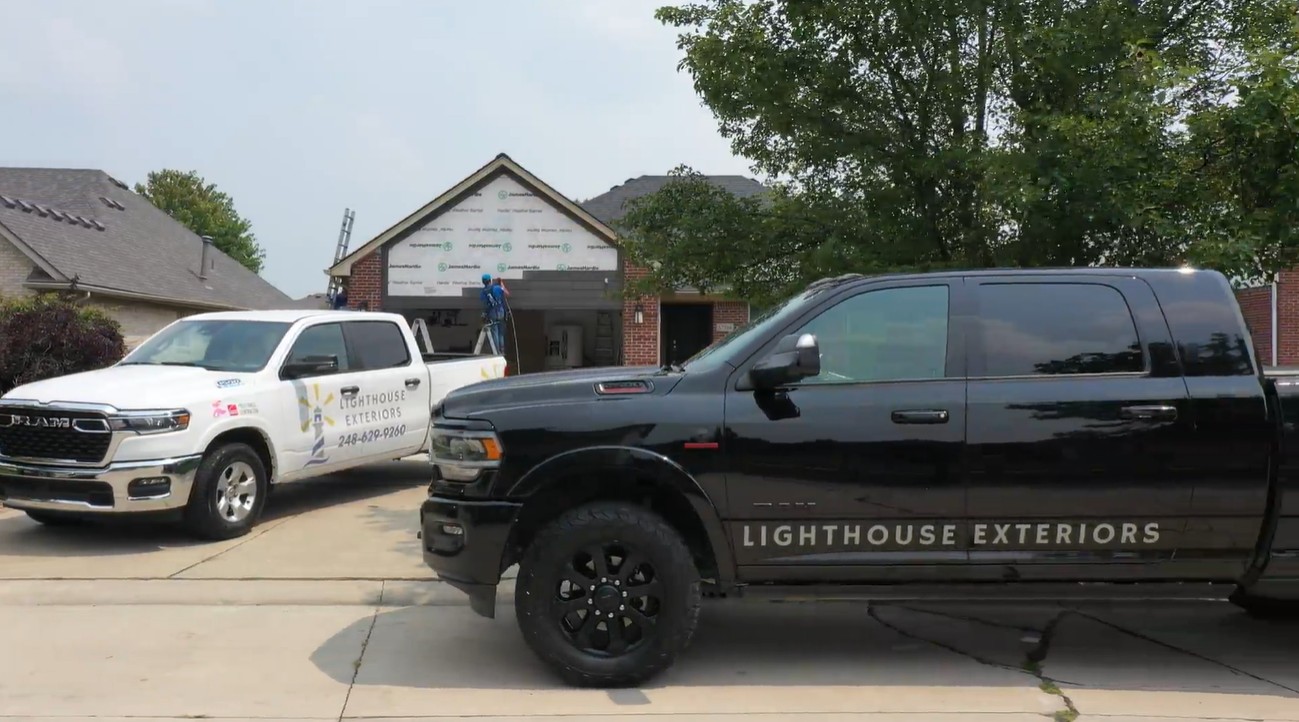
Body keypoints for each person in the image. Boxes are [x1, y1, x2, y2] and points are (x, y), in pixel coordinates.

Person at [479, 273, 510, 353]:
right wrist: (501, 283)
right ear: (490, 280)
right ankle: (502, 351)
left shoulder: (482, 292)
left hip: (492, 312)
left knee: (495, 333)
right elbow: (507, 293)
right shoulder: (497, 287)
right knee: (501, 333)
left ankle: (497, 352)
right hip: (500, 311)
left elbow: (484, 303)